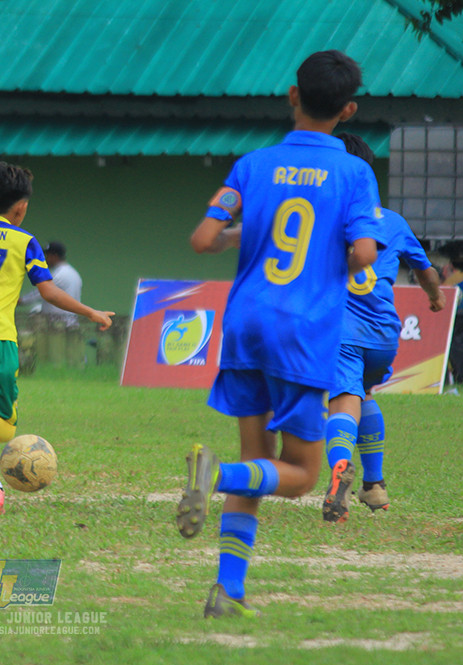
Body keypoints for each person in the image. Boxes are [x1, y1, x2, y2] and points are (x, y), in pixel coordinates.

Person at [179, 50, 385, 618]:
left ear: (292, 95)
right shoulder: (354, 171)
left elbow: (203, 238)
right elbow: (364, 250)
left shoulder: (252, 164)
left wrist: (243, 236)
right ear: (349, 110)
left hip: (246, 321)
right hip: (302, 330)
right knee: (298, 476)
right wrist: (340, 258)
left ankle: (228, 591)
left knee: (258, 460)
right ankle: (213, 475)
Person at [0, 162, 113, 514]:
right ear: (21, 208)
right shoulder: (24, 242)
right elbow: (49, 293)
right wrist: (91, 312)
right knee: (4, 427)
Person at [321, 133, 446, 523]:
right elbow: (425, 270)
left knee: (342, 401)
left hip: (341, 331)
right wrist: (436, 298)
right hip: (384, 334)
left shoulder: (325, 217)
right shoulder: (392, 222)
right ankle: (374, 487)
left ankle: (339, 470)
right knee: (366, 394)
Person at [19, 241, 83, 328]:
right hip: (70, 323)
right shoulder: (73, 272)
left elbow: (40, 293)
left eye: (47, 255)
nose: (45, 259)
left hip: (59, 326)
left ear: (54, 256)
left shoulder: (60, 274)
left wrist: (20, 300)